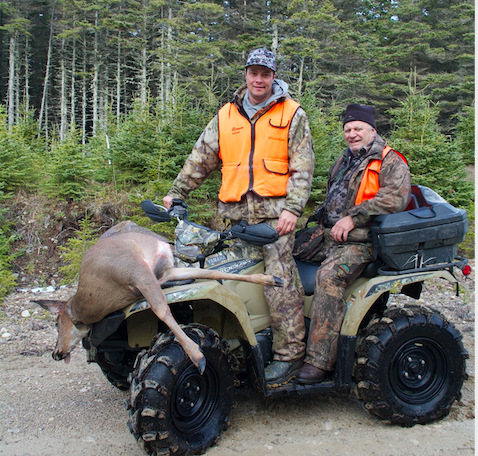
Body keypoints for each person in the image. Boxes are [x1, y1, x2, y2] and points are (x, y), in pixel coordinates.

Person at [163, 48, 315, 384]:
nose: (259, 79)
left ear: (273, 77)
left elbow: (303, 166)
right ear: (245, 75)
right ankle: (234, 346)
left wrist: (292, 209)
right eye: (253, 73)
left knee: (279, 278)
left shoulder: (292, 113)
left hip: (277, 218)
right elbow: (201, 157)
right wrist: (176, 194)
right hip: (237, 217)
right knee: (228, 278)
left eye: (265, 73)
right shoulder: (226, 115)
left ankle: (289, 355)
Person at [294, 103, 411, 383]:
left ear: (372, 129)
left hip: (363, 241)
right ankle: (287, 343)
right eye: (347, 129)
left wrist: (353, 218)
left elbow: (395, 198)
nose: (352, 134)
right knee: (280, 253)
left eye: (358, 128)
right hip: (330, 234)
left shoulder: (389, 160)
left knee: (328, 277)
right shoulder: (345, 159)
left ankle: (320, 361)